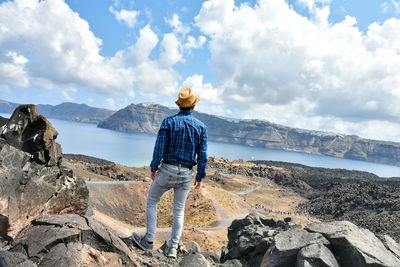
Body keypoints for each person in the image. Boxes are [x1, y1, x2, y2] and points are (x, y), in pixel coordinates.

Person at [131, 88, 208, 258]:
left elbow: (159, 148)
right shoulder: (201, 127)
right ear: (193, 107)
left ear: (180, 106)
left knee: (152, 200)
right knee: (179, 210)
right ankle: (173, 248)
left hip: (167, 169)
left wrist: (153, 168)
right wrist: (200, 176)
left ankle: (148, 241)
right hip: (187, 173)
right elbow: (202, 155)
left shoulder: (168, 122)